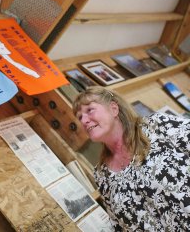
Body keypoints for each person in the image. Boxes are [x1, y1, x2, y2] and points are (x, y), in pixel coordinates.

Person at [72, 86, 190, 231]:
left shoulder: (158, 126)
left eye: (89, 110)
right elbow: (119, 226)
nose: (84, 120)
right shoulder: (102, 175)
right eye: (79, 117)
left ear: (114, 109)